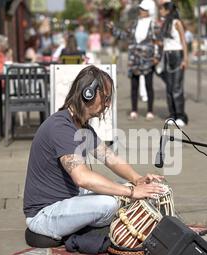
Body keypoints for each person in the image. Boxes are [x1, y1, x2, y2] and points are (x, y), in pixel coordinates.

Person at [23, 65, 165, 242]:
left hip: (66, 201)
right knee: (109, 203)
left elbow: (110, 157)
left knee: (120, 186)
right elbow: (82, 178)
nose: (108, 104)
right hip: (43, 215)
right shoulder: (61, 127)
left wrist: (136, 180)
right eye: (105, 97)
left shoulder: (81, 127)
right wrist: (130, 191)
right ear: (87, 94)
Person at [110, 0, 161, 121]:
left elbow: (159, 43)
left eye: (143, 9)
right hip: (134, 60)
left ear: (150, 11)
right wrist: (113, 29)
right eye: (141, 9)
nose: (140, 11)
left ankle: (150, 110)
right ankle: (134, 110)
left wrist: (157, 58)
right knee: (134, 86)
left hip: (148, 60)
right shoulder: (134, 24)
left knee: (149, 85)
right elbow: (124, 36)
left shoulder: (154, 25)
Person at [159, 1, 189, 127]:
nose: (160, 11)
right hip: (166, 55)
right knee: (169, 88)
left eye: (162, 9)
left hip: (177, 55)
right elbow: (164, 43)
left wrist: (185, 59)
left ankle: (181, 115)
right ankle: (172, 115)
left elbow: (183, 41)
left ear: (168, 10)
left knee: (177, 88)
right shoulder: (165, 23)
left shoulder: (177, 23)